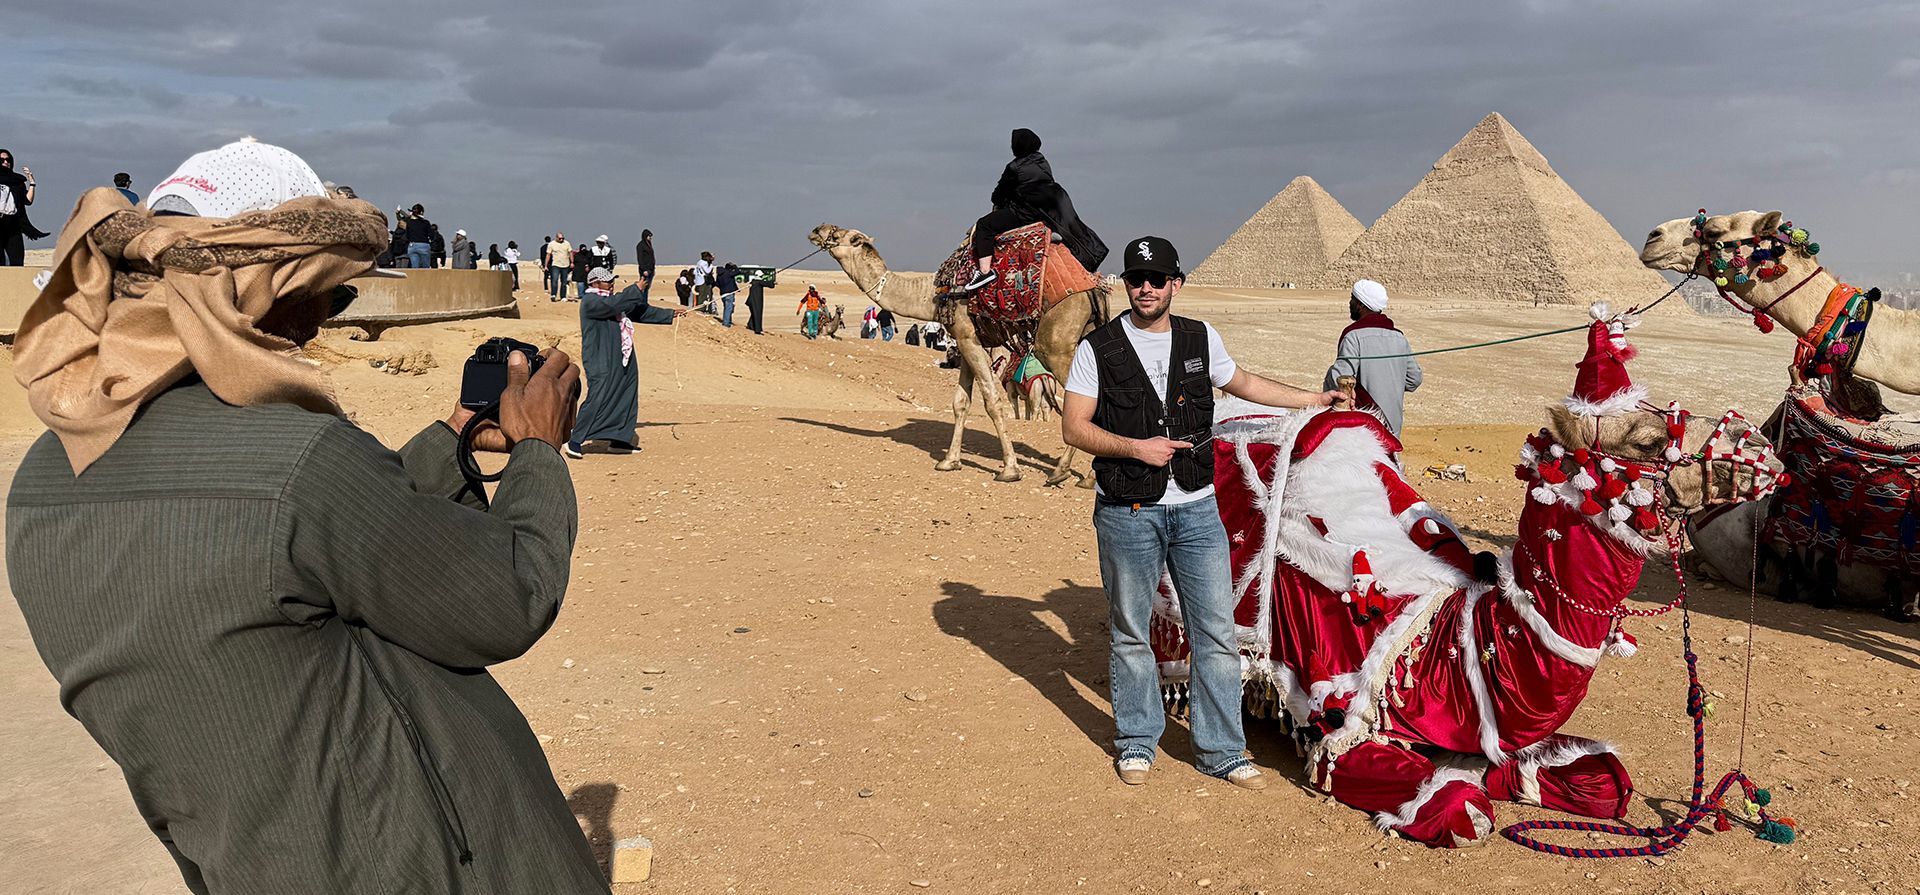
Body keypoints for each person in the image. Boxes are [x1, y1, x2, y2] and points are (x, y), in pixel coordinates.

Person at [6, 140, 608, 893]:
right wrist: (540, 454)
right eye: (331, 293)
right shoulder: (299, 460)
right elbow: (505, 596)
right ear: (268, 288)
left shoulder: (43, 477)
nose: (323, 320)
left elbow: (316, 563)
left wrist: (451, 434)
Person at [1060, 236, 1346, 791]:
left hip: (1196, 509)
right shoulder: (1098, 348)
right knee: (1129, 630)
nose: (1146, 287)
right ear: (1126, 283)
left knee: (1214, 631)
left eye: (1157, 278)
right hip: (1129, 510)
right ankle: (1138, 740)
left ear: (1176, 284)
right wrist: (1135, 447)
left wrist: (1314, 399)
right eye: (1136, 278)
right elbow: (1074, 427)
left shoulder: (1199, 337)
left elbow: (1243, 383)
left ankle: (1222, 750)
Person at [963, 128, 1108, 292]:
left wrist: (1002, 201)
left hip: (1025, 213)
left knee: (984, 225)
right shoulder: (1042, 162)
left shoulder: (1014, 167)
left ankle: (984, 272)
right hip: (1048, 213)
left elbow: (998, 195)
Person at [566, 267, 686, 459]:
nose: (611, 284)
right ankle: (576, 440)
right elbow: (617, 304)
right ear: (594, 283)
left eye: (612, 281)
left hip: (621, 355)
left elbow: (638, 311)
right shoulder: (591, 301)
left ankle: (619, 439)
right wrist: (636, 289)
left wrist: (670, 314)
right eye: (607, 281)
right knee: (599, 393)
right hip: (600, 356)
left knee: (626, 391)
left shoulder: (612, 302)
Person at [1324, 279, 1423, 436]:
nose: (1350, 303)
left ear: (1361, 305)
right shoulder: (1399, 337)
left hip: (1364, 423)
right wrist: (1389, 382)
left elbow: (1340, 379)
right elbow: (1414, 380)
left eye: (1352, 299)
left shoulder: (1353, 336)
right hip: (1393, 425)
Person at [0, 148, 49, 266]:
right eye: (1, 160)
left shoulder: (17, 181)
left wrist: (32, 182)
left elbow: (27, 201)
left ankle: (15, 284)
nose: (5, 162)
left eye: (8, 160)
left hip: (13, 223)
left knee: (17, 259)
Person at [403, 204, 432, 270]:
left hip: (412, 245)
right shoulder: (426, 222)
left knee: (415, 268)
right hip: (423, 244)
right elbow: (431, 235)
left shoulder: (409, 222)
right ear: (421, 212)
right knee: (425, 268)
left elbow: (407, 235)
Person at [548, 233, 573, 301]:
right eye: (560, 238)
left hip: (565, 265)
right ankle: (553, 294)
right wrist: (545, 265)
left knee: (564, 282)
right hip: (555, 265)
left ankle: (563, 296)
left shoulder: (567, 243)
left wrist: (572, 262)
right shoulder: (551, 244)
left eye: (562, 238)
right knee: (554, 280)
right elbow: (548, 254)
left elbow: (570, 252)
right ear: (556, 238)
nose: (561, 239)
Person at [716, 262, 742, 327]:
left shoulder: (719, 275)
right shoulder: (728, 273)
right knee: (729, 308)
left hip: (723, 293)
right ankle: (726, 323)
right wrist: (735, 266)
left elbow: (717, 284)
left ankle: (728, 321)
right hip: (729, 293)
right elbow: (738, 272)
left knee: (727, 307)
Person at [635, 229, 656, 301]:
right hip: (645, 270)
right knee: (642, 286)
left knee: (647, 287)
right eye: (649, 236)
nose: (650, 238)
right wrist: (644, 269)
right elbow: (640, 258)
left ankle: (645, 301)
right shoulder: (640, 245)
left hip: (651, 269)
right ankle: (641, 301)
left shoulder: (649, 244)